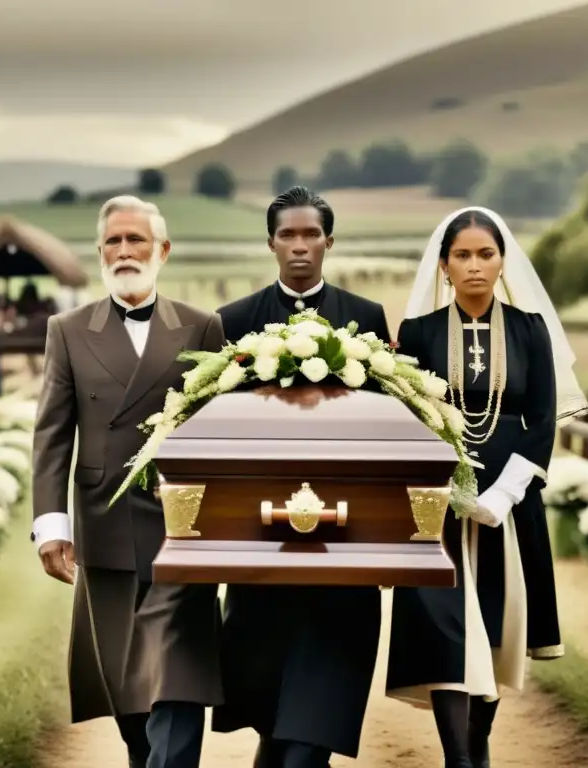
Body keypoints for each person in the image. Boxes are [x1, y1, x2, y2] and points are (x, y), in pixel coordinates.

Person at [386, 207, 588, 768]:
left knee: (495, 630)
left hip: (510, 502)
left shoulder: (530, 329)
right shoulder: (420, 333)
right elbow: (410, 418)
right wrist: (445, 487)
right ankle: (458, 759)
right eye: (462, 255)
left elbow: (543, 420)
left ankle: (478, 740)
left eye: (486, 254)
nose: (474, 265)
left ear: (503, 262)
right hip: (437, 503)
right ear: (444, 266)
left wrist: (504, 494)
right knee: (446, 627)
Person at [32, 195, 225, 768]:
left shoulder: (201, 326)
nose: (123, 251)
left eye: (135, 240)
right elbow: (52, 433)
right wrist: (50, 525)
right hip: (105, 526)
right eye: (112, 242)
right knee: (126, 686)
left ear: (162, 250)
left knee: (179, 672)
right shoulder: (67, 330)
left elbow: (217, 430)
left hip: (183, 529)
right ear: (99, 254)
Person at [214, 186, 391, 768]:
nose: (299, 246)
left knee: (314, 728)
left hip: (343, 550)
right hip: (263, 552)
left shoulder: (366, 318)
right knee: (271, 717)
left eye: (310, 234)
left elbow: (386, 428)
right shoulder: (233, 322)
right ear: (270, 243)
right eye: (287, 235)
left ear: (329, 242)